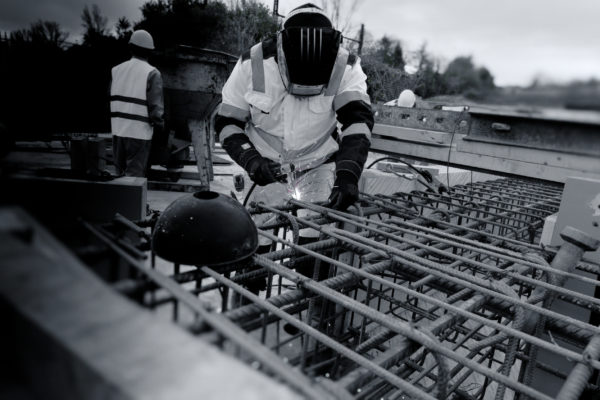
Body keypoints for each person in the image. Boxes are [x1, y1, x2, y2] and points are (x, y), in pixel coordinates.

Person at [215, 3, 373, 294]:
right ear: (281, 52)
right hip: (263, 168)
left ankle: (306, 306)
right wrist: (249, 159)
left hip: (317, 165)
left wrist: (348, 174)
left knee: (315, 246)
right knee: (255, 244)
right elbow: (227, 122)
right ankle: (250, 302)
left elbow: (357, 124)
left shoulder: (345, 65)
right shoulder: (252, 64)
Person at [110, 29, 164, 177]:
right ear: (150, 51)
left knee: (119, 176)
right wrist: (161, 128)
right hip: (139, 133)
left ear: (130, 47)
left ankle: (119, 200)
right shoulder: (152, 73)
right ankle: (131, 201)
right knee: (134, 178)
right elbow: (156, 110)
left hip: (117, 131)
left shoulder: (116, 70)